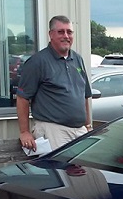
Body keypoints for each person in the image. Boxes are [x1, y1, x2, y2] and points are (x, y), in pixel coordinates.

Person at [16, 15, 92, 151]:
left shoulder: (78, 60)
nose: (66, 36)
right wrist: (24, 132)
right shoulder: (38, 62)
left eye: (69, 32)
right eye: (61, 32)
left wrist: (87, 125)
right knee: (59, 171)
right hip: (53, 130)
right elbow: (22, 98)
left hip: (79, 131)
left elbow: (84, 95)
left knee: (86, 171)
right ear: (51, 34)